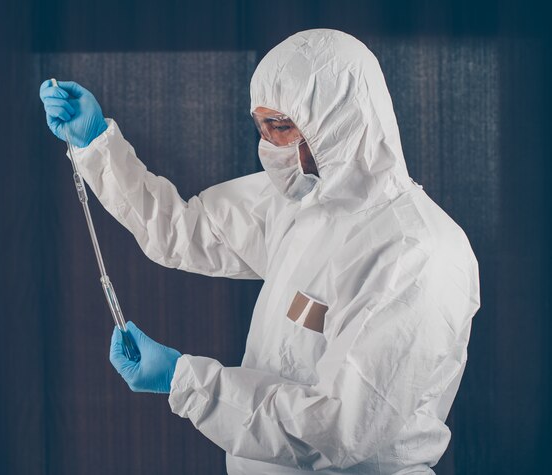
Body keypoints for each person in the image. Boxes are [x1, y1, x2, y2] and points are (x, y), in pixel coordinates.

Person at [39, 29, 480, 475]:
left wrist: (185, 382)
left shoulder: (418, 253)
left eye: (282, 127)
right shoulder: (301, 202)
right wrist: (96, 144)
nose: (268, 146)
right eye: (262, 126)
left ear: (340, 123)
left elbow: (338, 428)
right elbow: (182, 230)